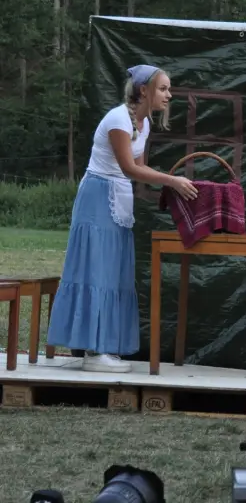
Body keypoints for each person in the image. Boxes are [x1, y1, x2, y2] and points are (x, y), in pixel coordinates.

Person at [47, 64, 198, 373]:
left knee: (114, 272)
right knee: (97, 270)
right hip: (97, 198)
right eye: (163, 88)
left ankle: (105, 346)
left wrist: (166, 187)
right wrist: (172, 181)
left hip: (119, 198)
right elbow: (130, 168)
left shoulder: (143, 124)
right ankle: (94, 351)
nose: (169, 95)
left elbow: (138, 169)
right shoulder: (118, 119)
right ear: (144, 90)